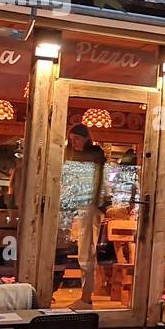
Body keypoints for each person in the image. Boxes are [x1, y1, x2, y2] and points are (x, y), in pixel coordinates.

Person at [61, 123, 107, 306]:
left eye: (77, 139)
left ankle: (86, 297)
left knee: (86, 251)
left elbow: (98, 183)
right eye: (71, 140)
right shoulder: (73, 155)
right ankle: (84, 296)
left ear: (86, 138)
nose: (74, 143)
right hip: (77, 206)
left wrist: (97, 203)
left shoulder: (95, 154)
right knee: (82, 250)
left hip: (89, 206)